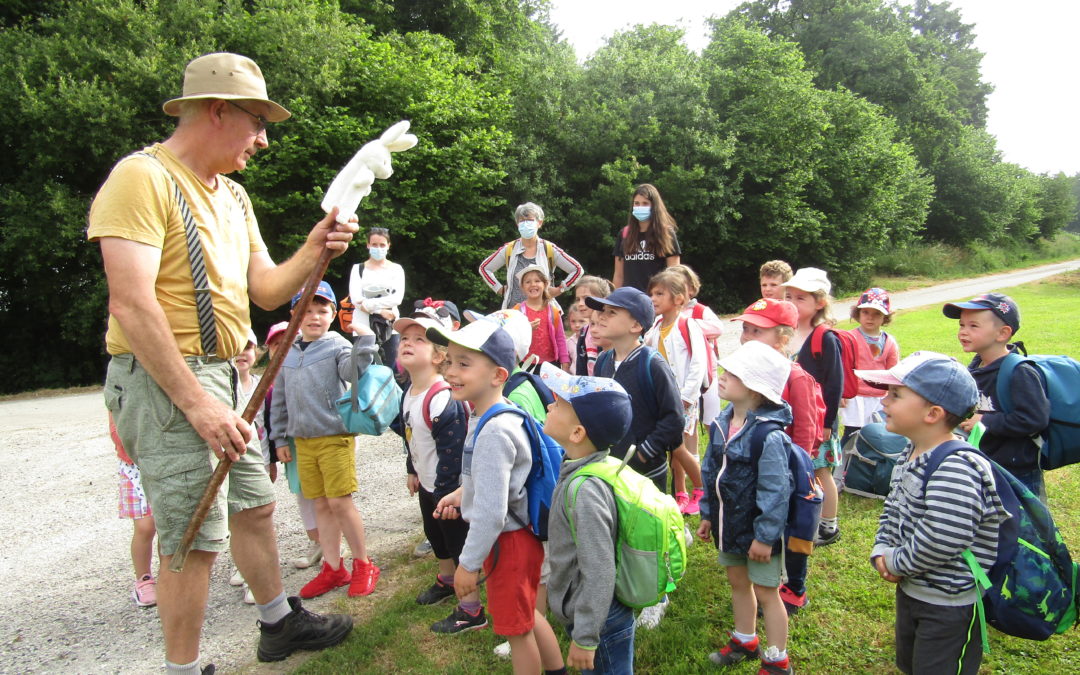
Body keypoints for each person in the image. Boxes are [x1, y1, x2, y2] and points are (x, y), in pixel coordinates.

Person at [90, 52, 356, 671]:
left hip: (224, 373)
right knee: (192, 535)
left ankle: (278, 624)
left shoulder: (233, 196)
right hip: (165, 381)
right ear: (216, 111)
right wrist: (196, 401)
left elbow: (265, 288)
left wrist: (314, 247)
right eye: (256, 122)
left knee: (255, 505)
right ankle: (182, 669)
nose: (262, 140)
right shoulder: (142, 178)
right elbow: (131, 303)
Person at [426, 320, 566, 675]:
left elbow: (491, 512)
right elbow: (494, 480)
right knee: (529, 615)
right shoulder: (493, 414)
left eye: (463, 364)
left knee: (517, 631)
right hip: (518, 538)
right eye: (449, 362)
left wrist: (468, 564)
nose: (450, 372)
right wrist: (463, 492)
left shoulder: (493, 430)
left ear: (497, 374)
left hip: (507, 543)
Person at [859, 352, 1009, 675]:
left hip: (949, 604)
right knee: (913, 664)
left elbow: (943, 537)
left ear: (933, 413)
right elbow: (893, 508)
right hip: (914, 590)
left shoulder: (956, 467)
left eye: (895, 395)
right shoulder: (910, 451)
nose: (884, 401)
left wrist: (896, 562)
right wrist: (881, 550)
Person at [270, 281, 380, 600]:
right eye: (306, 310)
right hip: (303, 442)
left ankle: (363, 564)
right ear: (294, 315)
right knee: (320, 504)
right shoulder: (288, 353)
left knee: (340, 503)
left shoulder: (336, 345)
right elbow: (280, 400)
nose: (314, 316)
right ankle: (334, 568)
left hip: (335, 437)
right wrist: (279, 438)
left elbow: (353, 371)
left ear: (333, 315)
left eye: (322, 310)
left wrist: (365, 341)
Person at [587, 287, 683, 630]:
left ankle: (660, 594)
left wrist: (644, 450)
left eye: (611, 312)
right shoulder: (602, 361)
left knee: (650, 534)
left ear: (636, 325)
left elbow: (674, 420)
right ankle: (624, 585)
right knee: (618, 531)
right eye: (600, 311)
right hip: (610, 468)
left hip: (645, 471)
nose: (600, 317)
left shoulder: (651, 364)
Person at [698, 340, 795, 675]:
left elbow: (776, 490)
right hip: (729, 526)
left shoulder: (768, 436)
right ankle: (745, 639)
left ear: (755, 390)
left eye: (732, 374)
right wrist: (708, 514)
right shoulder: (723, 421)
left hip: (758, 533)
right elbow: (710, 470)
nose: (722, 376)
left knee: (767, 593)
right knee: (738, 582)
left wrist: (766, 537)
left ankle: (777, 658)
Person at [390, 313, 486, 634]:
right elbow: (410, 435)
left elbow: (454, 450)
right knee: (435, 536)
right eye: (404, 338)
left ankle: (470, 609)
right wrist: (411, 469)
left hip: (450, 490)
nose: (408, 343)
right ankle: (446, 580)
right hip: (430, 485)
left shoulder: (441, 397)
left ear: (438, 356)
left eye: (419, 339)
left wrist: (446, 494)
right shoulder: (409, 393)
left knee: (458, 545)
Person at [541, 366, 637, 674]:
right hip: (595, 615)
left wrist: (585, 638)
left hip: (601, 622)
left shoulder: (585, 490)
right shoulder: (583, 465)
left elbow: (599, 568)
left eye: (558, 404)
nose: (548, 405)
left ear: (577, 433)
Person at [735, 298, 825, 615]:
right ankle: (764, 579)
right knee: (761, 523)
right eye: (745, 329)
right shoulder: (744, 373)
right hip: (753, 468)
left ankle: (795, 586)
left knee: (793, 531)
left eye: (756, 331)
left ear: (783, 339)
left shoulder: (795, 377)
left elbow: (806, 430)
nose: (746, 336)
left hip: (787, 472)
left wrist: (794, 472)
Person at [943, 293, 1050, 501]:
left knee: (1024, 529)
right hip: (986, 462)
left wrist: (984, 421)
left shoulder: (1019, 372)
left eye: (973, 326)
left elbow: (1034, 420)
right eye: (961, 325)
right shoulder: (975, 368)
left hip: (1017, 471)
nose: (963, 332)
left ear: (1002, 333)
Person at [783, 268, 843, 547]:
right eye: (789, 296)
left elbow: (834, 384)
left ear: (819, 302)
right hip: (791, 417)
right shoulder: (785, 332)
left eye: (800, 298)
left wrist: (828, 423)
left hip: (818, 420)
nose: (792, 302)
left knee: (821, 471)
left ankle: (828, 525)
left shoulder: (825, 338)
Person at [644, 269, 707, 515]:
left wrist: (687, 397)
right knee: (673, 447)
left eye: (660, 293)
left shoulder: (687, 324)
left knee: (679, 445)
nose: (653, 299)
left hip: (683, 399)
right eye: (652, 294)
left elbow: (698, 363)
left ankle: (701, 491)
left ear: (679, 298)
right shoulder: (656, 327)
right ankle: (679, 493)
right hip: (665, 398)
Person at [229, 330, 273, 605]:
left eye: (248, 347)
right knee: (236, 517)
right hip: (231, 460)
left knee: (258, 515)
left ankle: (256, 578)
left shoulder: (262, 385)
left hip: (260, 457)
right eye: (235, 347)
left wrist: (272, 460)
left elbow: (270, 424)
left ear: (257, 351)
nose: (242, 353)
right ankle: (244, 567)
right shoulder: (221, 387)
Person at [479, 202, 584, 309]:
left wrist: (560, 289)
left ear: (539, 223)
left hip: (542, 312)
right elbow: (484, 268)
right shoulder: (509, 249)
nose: (525, 224)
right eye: (522, 221)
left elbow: (577, 269)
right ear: (517, 224)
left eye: (530, 220)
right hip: (514, 315)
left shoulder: (548, 249)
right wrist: (499, 289)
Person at [840, 288, 900, 445]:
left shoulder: (889, 342)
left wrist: (894, 396)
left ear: (885, 317)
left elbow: (894, 373)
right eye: (866, 312)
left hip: (879, 398)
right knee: (852, 434)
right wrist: (842, 393)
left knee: (877, 433)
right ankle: (843, 466)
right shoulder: (849, 338)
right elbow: (842, 368)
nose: (870, 318)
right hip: (855, 396)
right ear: (858, 313)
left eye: (877, 314)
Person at [110, 412, 158, 608]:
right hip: (134, 465)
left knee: (170, 525)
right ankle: (144, 579)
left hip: (165, 459)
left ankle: (173, 576)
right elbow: (117, 429)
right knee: (145, 526)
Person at [669, 264, 724, 426]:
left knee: (711, 420)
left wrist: (687, 326)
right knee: (685, 421)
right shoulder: (665, 315)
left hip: (707, 374)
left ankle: (718, 447)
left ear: (691, 289)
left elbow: (718, 328)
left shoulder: (700, 311)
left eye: (679, 287)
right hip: (681, 376)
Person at [348, 226, 405, 367]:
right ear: (368, 245)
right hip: (363, 327)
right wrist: (380, 311)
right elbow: (356, 300)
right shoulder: (358, 269)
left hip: (390, 328)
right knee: (363, 369)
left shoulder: (396, 269)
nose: (378, 248)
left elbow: (396, 298)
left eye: (382, 245)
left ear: (388, 246)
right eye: (374, 244)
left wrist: (367, 304)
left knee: (390, 369)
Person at [612, 184, 680, 291]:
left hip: (655, 299)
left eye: (645, 204)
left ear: (654, 206)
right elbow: (618, 275)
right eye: (637, 203)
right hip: (629, 300)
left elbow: (675, 274)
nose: (640, 207)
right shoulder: (624, 233)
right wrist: (614, 300)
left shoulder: (666, 233)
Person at [512, 264, 570, 371]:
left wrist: (565, 361)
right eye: (528, 282)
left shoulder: (553, 311)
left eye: (537, 281)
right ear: (522, 287)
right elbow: (511, 337)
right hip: (524, 364)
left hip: (550, 364)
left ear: (545, 284)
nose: (533, 284)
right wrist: (525, 329)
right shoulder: (517, 311)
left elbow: (560, 338)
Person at [572, 276, 613, 376]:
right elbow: (581, 369)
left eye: (586, 298)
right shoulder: (584, 332)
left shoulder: (612, 329)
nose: (580, 304)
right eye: (578, 299)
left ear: (603, 299)